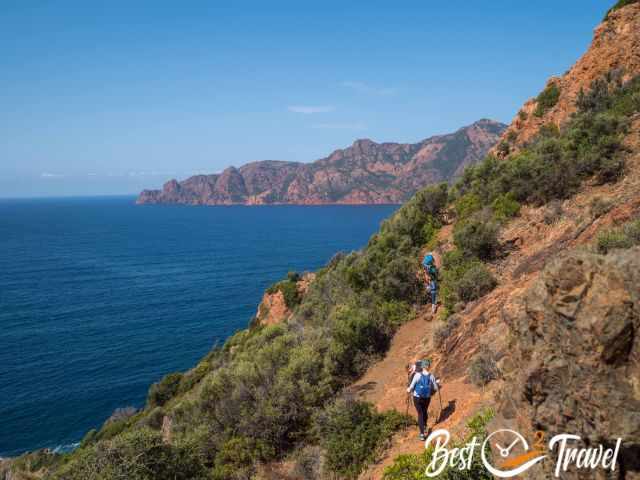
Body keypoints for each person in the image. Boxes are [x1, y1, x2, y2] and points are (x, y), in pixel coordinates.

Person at [407, 359, 439, 441]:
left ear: (422, 366)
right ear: (429, 367)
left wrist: (408, 389)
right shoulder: (431, 376)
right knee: (425, 411)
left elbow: (412, 386)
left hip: (417, 397)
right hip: (427, 397)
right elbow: (435, 388)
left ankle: (422, 434)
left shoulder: (417, 375)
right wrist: (437, 383)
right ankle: (424, 426)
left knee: (420, 413)